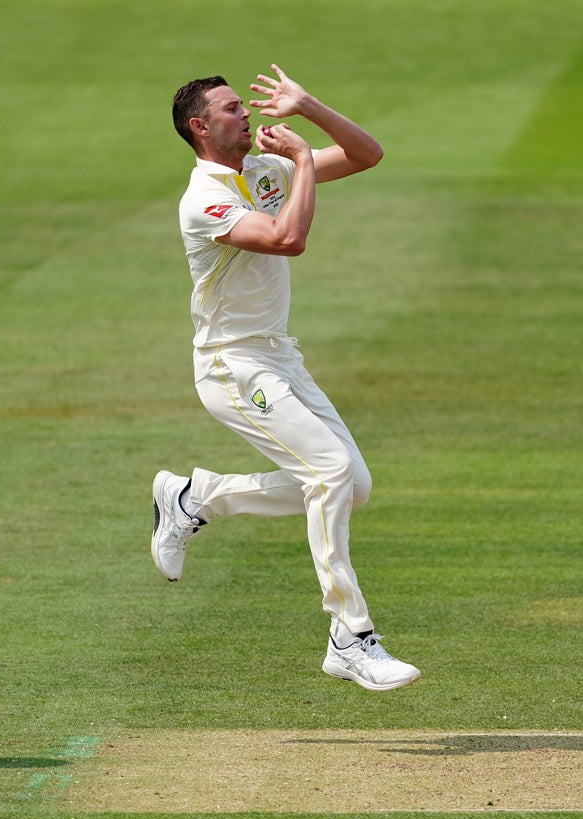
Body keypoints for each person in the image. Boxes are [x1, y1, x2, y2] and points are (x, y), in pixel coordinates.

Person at [152, 65, 420, 692]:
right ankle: (350, 634)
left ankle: (197, 498)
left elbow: (367, 155)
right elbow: (287, 237)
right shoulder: (203, 199)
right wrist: (300, 159)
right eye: (230, 109)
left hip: (279, 356)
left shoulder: (266, 169)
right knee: (330, 472)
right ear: (200, 127)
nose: (245, 113)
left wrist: (310, 108)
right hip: (232, 364)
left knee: (351, 485)